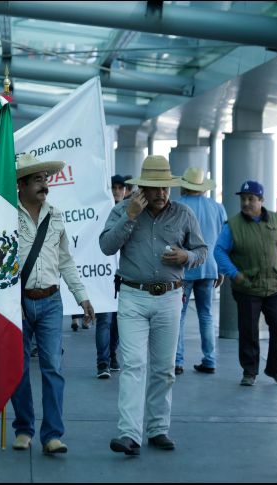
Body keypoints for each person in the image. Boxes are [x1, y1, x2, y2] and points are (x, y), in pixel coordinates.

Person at [100, 155, 207, 456]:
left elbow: (202, 250)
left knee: (164, 368)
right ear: (142, 187)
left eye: (165, 188)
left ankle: (158, 428)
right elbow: (106, 246)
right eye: (154, 188)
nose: (161, 194)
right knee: (134, 365)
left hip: (171, 297)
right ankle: (129, 434)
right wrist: (130, 216)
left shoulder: (184, 214)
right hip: (133, 296)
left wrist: (187, 257)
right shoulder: (123, 209)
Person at [11, 154, 95, 455]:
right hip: (17, 302)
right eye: (37, 179)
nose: (44, 184)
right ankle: (23, 429)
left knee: (53, 368)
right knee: (17, 369)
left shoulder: (56, 216)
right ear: (20, 185)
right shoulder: (6, 215)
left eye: (45, 178)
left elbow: (65, 261)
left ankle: (52, 435)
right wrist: (5, 298)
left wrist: (82, 296)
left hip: (51, 302)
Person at [214, 180, 277, 386]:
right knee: (248, 330)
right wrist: (233, 273)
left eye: (251, 199)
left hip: (275, 285)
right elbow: (219, 250)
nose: (246, 203)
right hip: (248, 286)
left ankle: (275, 369)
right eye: (243, 199)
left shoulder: (276, 220)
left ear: (261, 200)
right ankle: (249, 371)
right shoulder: (233, 225)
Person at [174, 167, 227, 375]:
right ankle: (209, 360)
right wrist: (221, 268)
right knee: (206, 315)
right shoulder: (217, 207)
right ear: (203, 188)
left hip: (184, 268)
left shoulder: (179, 206)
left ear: (185, 186)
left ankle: (177, 361)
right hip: (210, 267)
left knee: (179, 314)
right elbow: (223, 241)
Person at [94, 174, 131, 379]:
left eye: (120, 187)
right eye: (113, 187)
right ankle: (102, 361)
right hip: (101, 273)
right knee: (104, 320)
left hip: (121, 274)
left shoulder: (129, 210)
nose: (117, 191)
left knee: (117, 320)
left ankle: (112, 354)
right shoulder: (100, 209)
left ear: (125, 190)